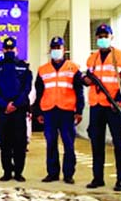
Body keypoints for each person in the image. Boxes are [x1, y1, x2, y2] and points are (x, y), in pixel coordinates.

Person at [84, 24, 121, 191]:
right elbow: (87, 78)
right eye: (100, 36)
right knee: (96, 143)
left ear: (112, 37)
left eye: (106, 35)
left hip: (114, 106)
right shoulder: (92, 58)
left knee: (119, 143)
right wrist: (85, 81)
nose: (103, 38)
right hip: (96, 106)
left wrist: (120, 99)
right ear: (96, 38)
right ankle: (98, 178)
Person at [34, 36, 85, 184]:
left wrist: (79, 111)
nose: (56, 50)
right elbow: (39, 92)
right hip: (49, 111)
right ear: (50, 50)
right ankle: (52, 173)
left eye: (59, 48)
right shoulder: (43, 70)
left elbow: (79, 91)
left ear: (64, 50)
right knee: (51, 143)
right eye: (54, 48)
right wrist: (38, 112)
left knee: (69, 144)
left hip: (67, 111)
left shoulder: (73, 68)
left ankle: (68, 174)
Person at [0, 37, 32, 182]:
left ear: (16, 50)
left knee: (20, 143)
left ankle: (19, 172)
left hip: (19, 110)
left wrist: (15, 104)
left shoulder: (24, 67)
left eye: (11, 49)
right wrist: (4, 104)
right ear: (3, 50)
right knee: (5, 143)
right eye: (7, 49)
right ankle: (7, 172)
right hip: (3, 111)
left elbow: (26, 88)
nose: (9, 51)